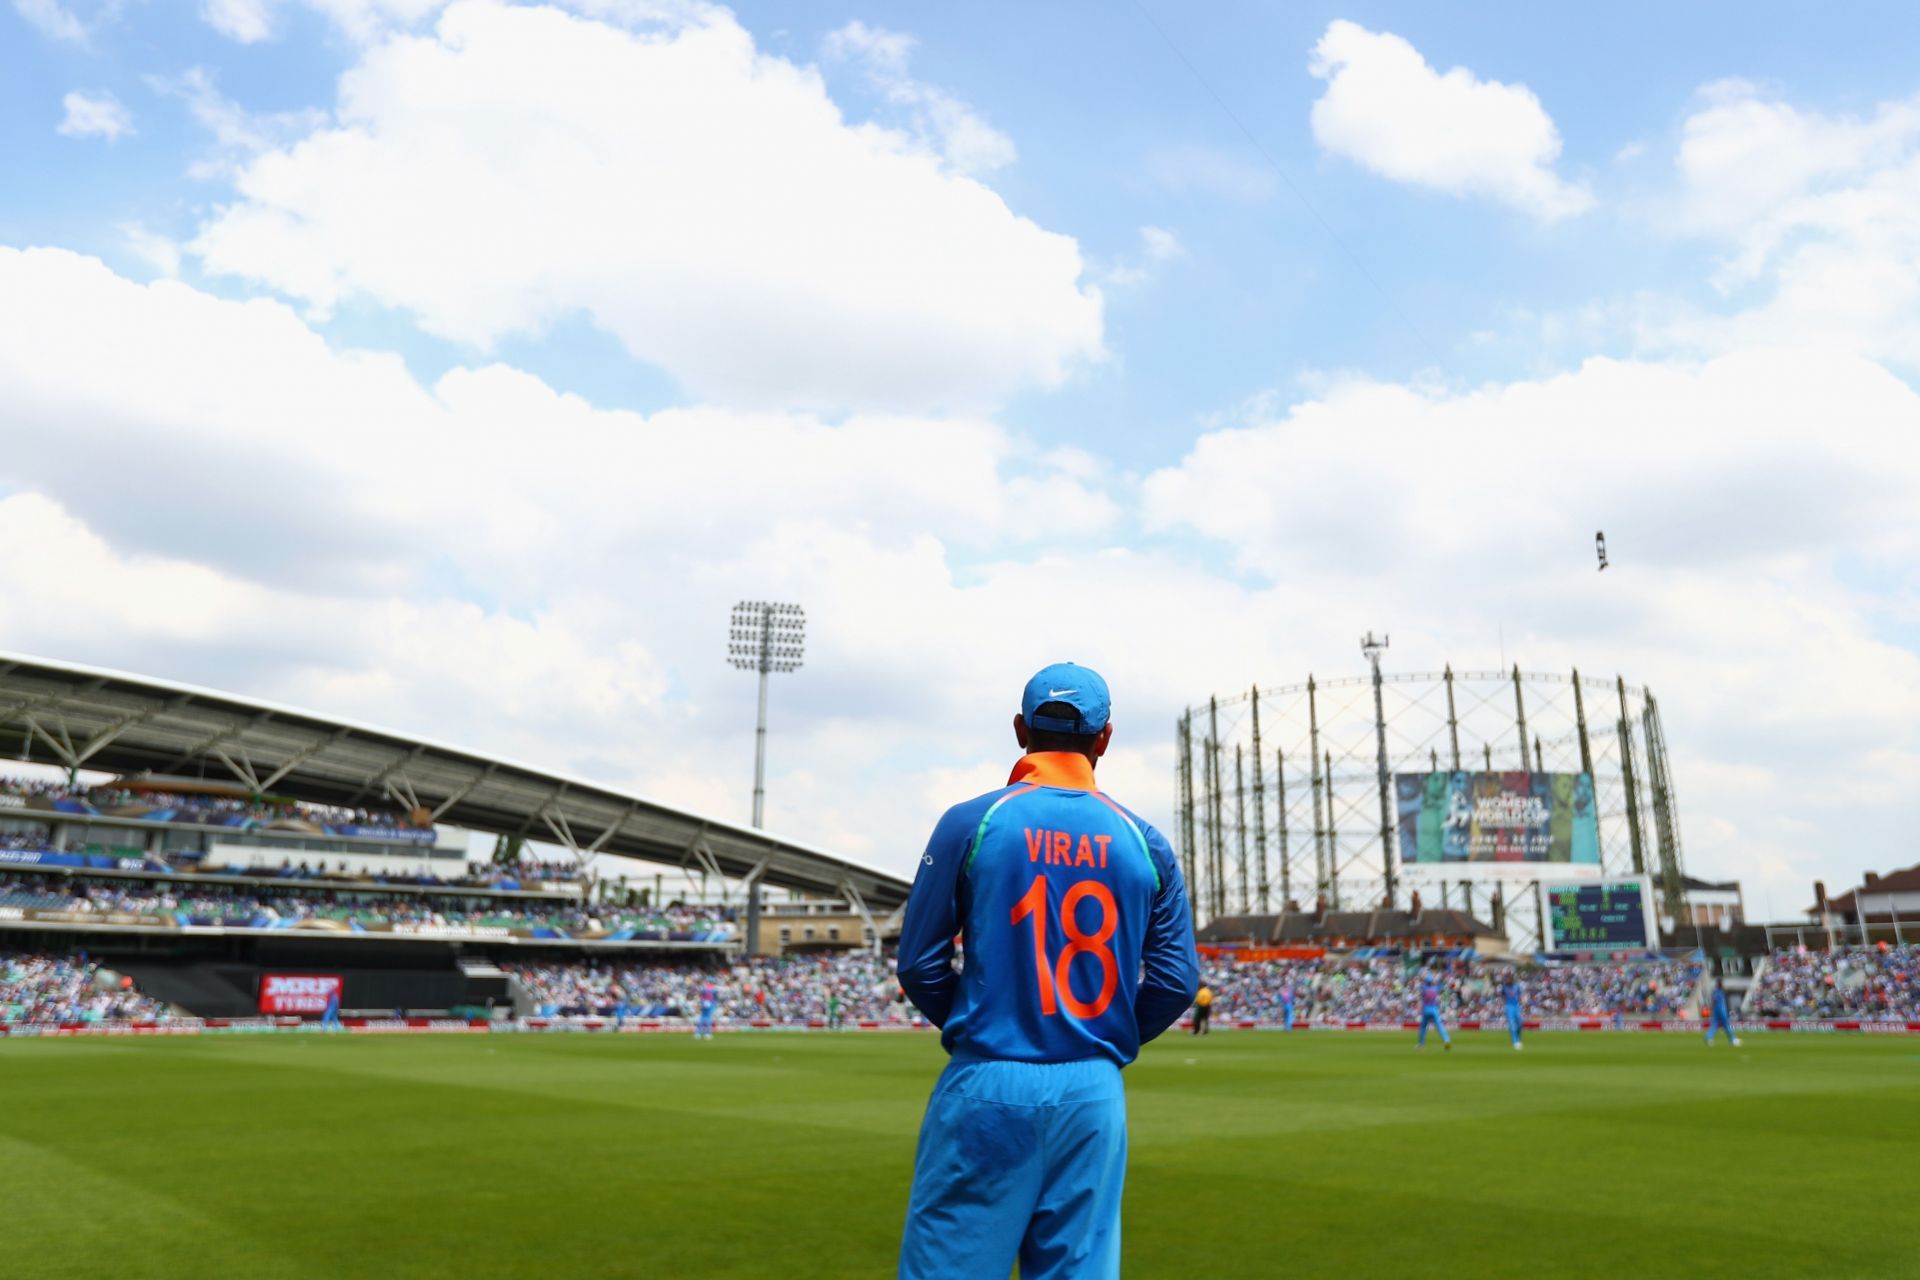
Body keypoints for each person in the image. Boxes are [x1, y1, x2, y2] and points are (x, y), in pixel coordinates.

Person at [895, 663, 1199, 1280]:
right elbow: (1174, 980)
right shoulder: (1144, 840)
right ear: (1104, 738)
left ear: (1018, 730)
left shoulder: (971, 821)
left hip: (988, 1078)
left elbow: (920, 963)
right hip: (1092, 1088)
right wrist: (1094, 1038)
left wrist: (986, 1019)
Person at [1416, 969, 1451, 1051]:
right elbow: (1441, 984)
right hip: (1434, 1009)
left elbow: (1421, 985)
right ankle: (1446, 1040)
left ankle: (1421, 1044)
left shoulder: (1424, 988)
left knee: (1423, 1027)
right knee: (1439, 1026)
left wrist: (1422, 976)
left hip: (1426, 1009)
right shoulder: (1436, 988)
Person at [1704, 975, 1740, 1047]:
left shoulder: (1715, 991)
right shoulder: (1721, 990)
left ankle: (1708, 1037)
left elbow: (1713, 1000)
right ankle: (1733, 1039)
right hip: (1721, 1008)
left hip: (1715, 1009)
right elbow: (1716, 999)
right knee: (1726, 1024)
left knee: (1714, 1024)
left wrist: (1712, 1007)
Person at [1501, 972, 1523, 1051]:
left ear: (1512, 979)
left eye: (1508, 978)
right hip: (1509, 1007)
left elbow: (1519, 996)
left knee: (1520, 1023)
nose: (1507, 980)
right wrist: (1504, 1006)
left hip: (1516, 1006)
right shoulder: (1504, 987)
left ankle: (1518, 1038)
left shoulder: (1517, 987)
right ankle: (1516, 1041)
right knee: (1512, 1024)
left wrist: (1521, 1004)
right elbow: (1502, 996)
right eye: (1506, 979)